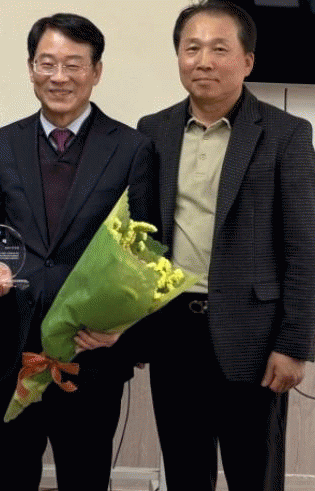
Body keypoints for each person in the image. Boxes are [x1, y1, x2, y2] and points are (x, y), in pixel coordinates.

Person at [134, 1, 315, 490]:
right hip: (174, 333)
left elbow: (303, 248)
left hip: (253, 339)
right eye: (191, 48)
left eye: (219, 49)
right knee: (185, 472)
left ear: (247, 61)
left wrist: (294, 345)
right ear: (178, 56)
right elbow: (142, 235)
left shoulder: (287, 134)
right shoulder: (153, 130)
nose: (203, 61)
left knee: (253, 475)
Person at [0, 13, 154, 491]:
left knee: (85, 476)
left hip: (90, 352)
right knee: (11, 476)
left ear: (96, 71)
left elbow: (144, 250)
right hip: (11, 346)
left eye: (73, 64)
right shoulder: (0, 143)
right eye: (47, 63)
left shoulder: (132, 148)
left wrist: (123, 328)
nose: (59, 77)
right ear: (31, 68)